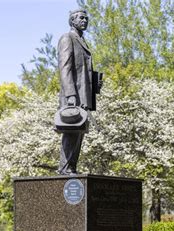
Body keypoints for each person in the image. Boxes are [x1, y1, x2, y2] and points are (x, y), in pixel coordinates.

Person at [57, 9, 100, 175]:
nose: (84, 20)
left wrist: (94, 83)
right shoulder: (67, 38)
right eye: (81, 18)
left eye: (86, 18)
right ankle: (65, 169)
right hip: (73, 96)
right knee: (71, 131)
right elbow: (65, 68)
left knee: (79, 132)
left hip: (84, 95)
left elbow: (83, 71)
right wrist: (71, 95)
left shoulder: (82, 41)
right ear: (72, 20)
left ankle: (71, 167)